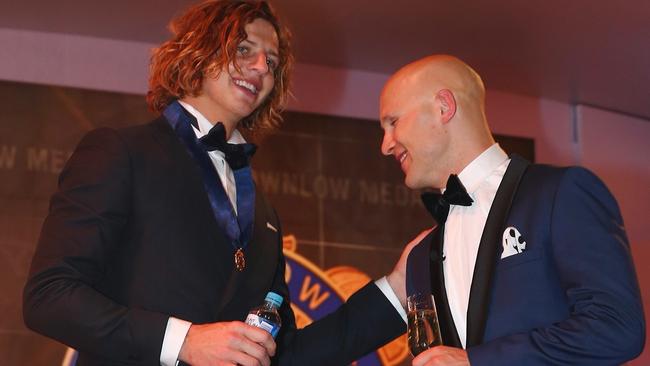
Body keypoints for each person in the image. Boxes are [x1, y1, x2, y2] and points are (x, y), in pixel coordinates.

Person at [23, 1, 408, 365]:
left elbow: (285, 355)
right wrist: (185, 341)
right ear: (198, 51)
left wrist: (395, 291)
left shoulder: (264, 214)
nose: (261, 68)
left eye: (271, 62)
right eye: (244, 49)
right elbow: (49, 296)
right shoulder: (122, 152)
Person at [379, 54, 645, 365]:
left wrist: (477, 361)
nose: (385, 144)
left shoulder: (560, 193)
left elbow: (617, 328)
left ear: (443, 107)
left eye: (393, 122)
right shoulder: (420, 256)